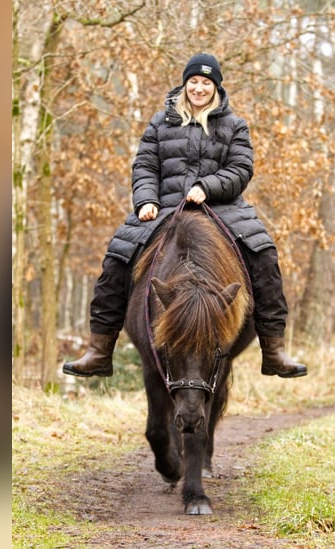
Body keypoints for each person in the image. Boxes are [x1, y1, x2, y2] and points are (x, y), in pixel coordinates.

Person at [63, 53, 307, 379]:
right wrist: (146, 200)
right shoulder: (160, 122)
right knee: (117, 257)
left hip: (223, 208)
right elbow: (146, 167)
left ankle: (274, 351)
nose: (199, 88)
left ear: (216, 87)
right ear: (185, 84)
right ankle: (99, 350)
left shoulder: (235, 126)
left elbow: (240, 169)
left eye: (206, 83)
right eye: (193, 81)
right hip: (165, 206)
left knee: (264, 256)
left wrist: (208, 186)